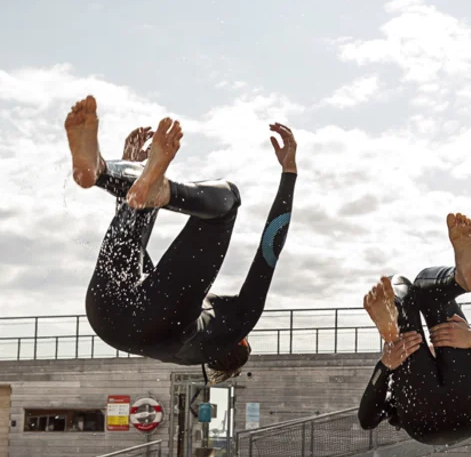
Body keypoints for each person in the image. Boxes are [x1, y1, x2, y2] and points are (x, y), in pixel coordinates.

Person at [64, 95, 298, 384]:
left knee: (228, 203)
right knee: (142, 199)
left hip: (149, 317)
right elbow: (142, 276)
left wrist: (289, 172)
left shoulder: (239, 321)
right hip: (106, 319)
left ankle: (148, 185)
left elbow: (269, 249)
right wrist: (131, 195)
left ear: (242, 343)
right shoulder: (182, 347)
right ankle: (102, 171)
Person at [357, 214, 471, 446]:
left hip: (422, 417)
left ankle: (397, 313)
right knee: (430, 296)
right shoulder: (458, 349)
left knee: (405, 323)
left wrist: (385, 366)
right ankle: (459, 280)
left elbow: (367, 420)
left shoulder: (400, 374)